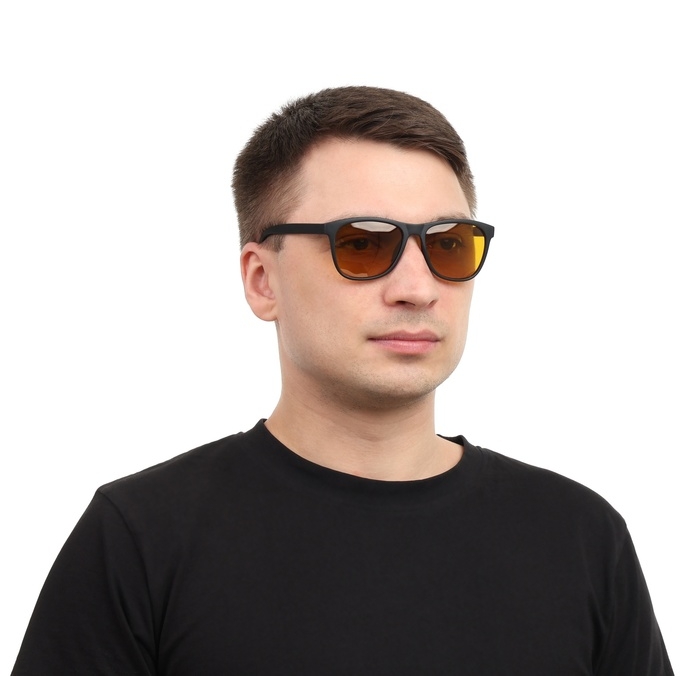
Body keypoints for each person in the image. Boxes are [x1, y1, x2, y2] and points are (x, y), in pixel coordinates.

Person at [12, 86, 673, 675]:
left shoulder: (580, 537)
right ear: (261, 280)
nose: (417, 288)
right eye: (362, 243)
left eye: (448, 245)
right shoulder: (140, 540)